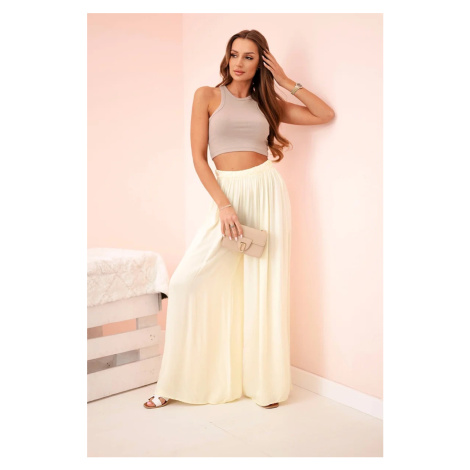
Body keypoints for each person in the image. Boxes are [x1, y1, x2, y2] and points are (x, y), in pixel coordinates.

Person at [144, 29, 334, 410]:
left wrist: (285, 81)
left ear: (261, 62)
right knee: (185, 282)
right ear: (226, 57)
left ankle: (265, 384)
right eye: (234, 54)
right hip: (228, 196)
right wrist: (224, 205)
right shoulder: (207, 96)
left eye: (249, 56)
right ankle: (174, 382)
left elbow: (324, 114)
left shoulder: (269, 104)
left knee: (263, 288)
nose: (239, 63)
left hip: (266, 193)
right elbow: (199, 157)